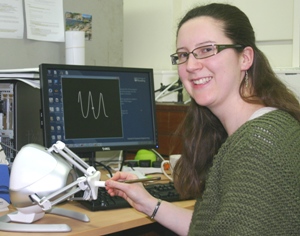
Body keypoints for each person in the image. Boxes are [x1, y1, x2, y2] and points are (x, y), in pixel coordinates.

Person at [106, 3, 300, 235]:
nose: (191, 65)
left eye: (207, 49)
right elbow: (211, 228)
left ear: (245, 58)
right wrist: (148, 203)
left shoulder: (257, 144)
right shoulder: (263, 127)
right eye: (183, 55)